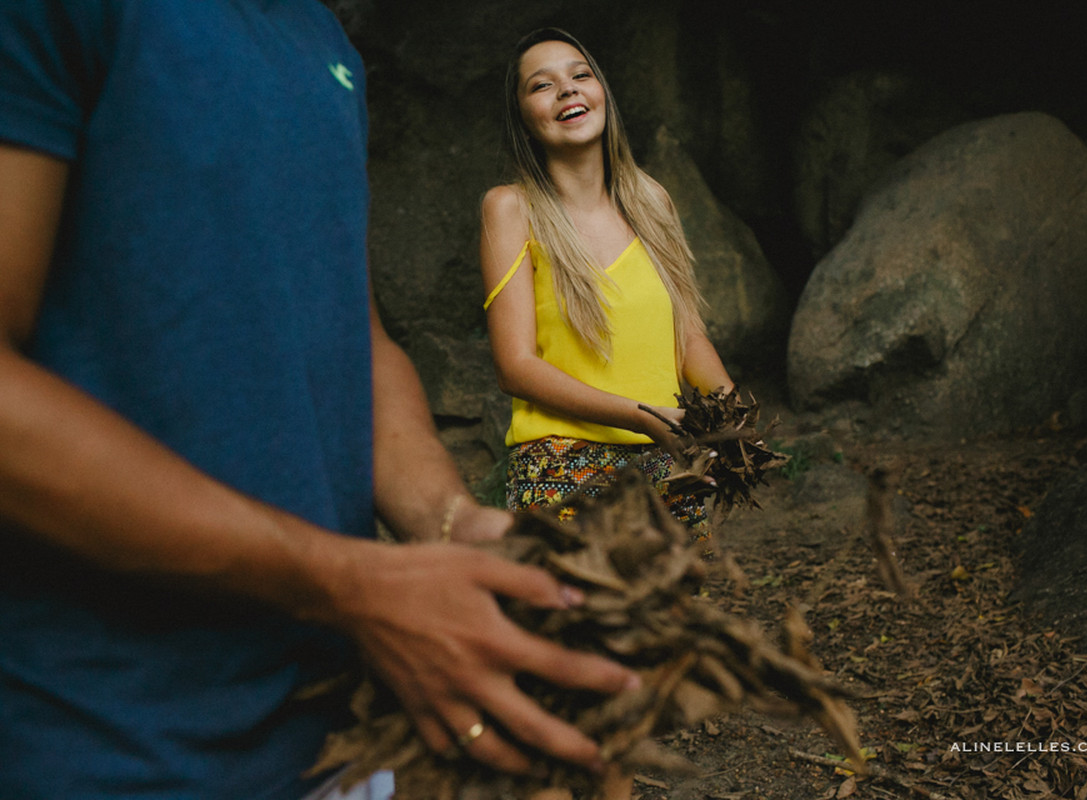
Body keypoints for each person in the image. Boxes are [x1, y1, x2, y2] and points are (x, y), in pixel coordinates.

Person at [0, 4, 639, 799]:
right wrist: (349, 583)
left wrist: (451, 520)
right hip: (106, 745)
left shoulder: (320, 39)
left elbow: (351, 338)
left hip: (337, 730)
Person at [480, 28, 734, 538]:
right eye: (542, 85)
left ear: (603, 95)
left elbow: (687, 337)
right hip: (561, 470)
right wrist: (642, 416)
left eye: (580, 75)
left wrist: (734, 420)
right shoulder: (511, 208)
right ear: (524, 121)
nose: (567, 90)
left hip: (668, 467)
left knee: (679, 618)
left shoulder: (652, 201)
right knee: (587, 618)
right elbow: (516, 367)